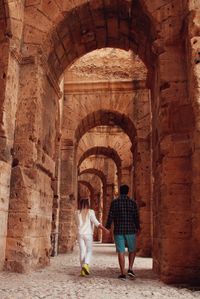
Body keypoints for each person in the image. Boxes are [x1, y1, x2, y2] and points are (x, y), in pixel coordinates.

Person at [105, 184, 140, 280]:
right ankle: (130, 268)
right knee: (132, 250)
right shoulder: (133, 203)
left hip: (119, 230)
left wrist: (107, 227)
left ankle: (122, 273)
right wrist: (138, 227)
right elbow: (136, 217)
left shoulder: (114, 203)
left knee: (121, 251)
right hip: (131, 230)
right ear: (128, 191)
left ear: (120, 191)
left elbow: (110, 216)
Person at [75, 198, 108, 277]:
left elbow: (77, 223)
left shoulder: (76, 212)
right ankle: (86, 264)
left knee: (82, 251)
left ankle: (82, 270)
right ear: (88, 204)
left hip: (80, 234)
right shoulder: (90, 212)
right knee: (89, 251)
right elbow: (97, 223)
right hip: (88, 234)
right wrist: (105, 229)